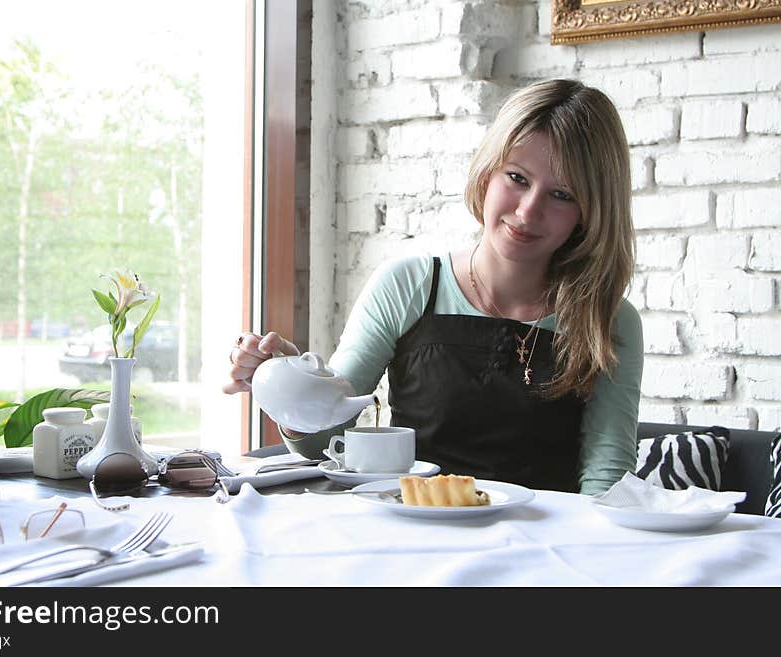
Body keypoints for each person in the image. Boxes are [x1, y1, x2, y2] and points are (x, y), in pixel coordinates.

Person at [223, 78, 643, 495]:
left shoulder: (610, 320)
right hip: (410, 534)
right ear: (487, 174)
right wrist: (298, 393)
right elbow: (323, 443)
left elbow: (607, 481)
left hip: (543, 547)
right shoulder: (408, 285)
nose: (528, 210)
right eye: (517, 177)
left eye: (561, 194)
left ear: (589, 213)